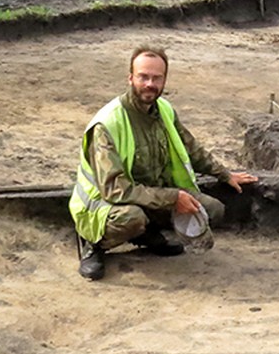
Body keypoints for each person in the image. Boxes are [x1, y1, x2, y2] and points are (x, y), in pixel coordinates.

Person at [69, 46, 258, 280]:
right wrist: (172, 198)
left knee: (212, 210)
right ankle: (93, 243)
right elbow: (114, 189)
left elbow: (190, 147)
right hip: (104, 204)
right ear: (130, 78)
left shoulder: (164, 110)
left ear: (165, 80)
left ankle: (145, 235)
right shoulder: (108, 124)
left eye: (156, 78)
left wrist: (224, 174)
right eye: (143, 77)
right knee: (131, 218)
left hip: (150, 195)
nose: (150, 84)